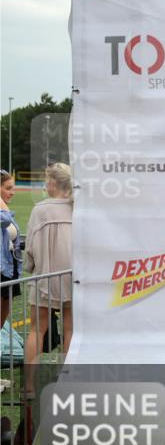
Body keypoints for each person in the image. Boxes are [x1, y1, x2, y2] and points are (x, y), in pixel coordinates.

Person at [24, 164, 74, 387]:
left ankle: (29, 385)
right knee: (70, 329)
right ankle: (68, 380)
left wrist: (30, 266)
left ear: (52, 183)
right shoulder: (78, 208)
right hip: (72, 278)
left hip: (43, 277)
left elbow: (30, 248)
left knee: (37, 330)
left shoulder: (40, 210)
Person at [0, 170, 21, 329]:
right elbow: (5, 220)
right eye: (8, 188)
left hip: (9, 267)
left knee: (4, 312)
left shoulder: (4, 208)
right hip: (1, 268)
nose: (12, 192)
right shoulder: (4, 211)